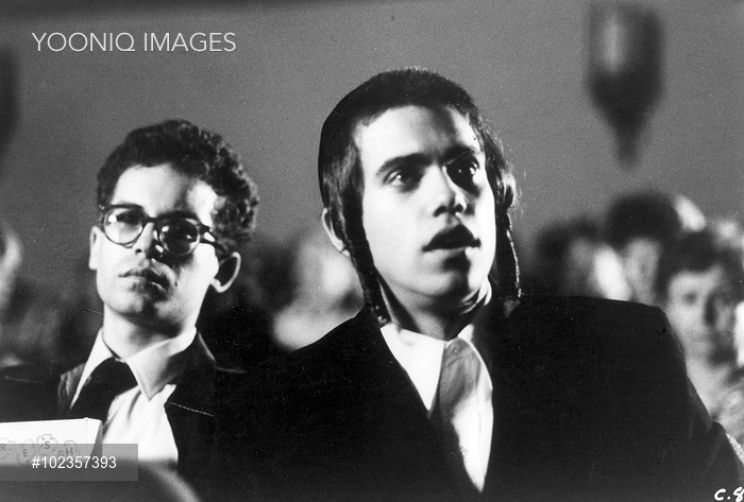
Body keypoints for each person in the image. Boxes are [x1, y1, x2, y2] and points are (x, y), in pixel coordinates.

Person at [246, 68, 744, 502]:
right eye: (403, 176)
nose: (448, 195)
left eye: (464, 167)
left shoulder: (627, 350)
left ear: (497, 194)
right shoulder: (283, 410)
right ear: (341, 228)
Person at [0, 119, 259, 497]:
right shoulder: (9, 392)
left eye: (181, 231)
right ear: (96, 246)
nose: (145, 244)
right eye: (127, 218)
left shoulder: (252, 422)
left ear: (223, 270)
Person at [655, 227, 744, 438]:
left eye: (721, 298)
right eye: (689, 299)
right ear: (666, 306)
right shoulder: (651, 403)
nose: (704, 316)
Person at [605, 190, 705, 306]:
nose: (639, 271)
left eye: (650, 256)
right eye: (628, 257)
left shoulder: (696, 311)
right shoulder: (614, 313)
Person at [531, 216, 630, 300]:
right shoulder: (575, 272)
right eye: (572, 252)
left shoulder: (608, 265)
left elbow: (618, 297)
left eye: (582, 250)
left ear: (592, 246)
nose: (576, 257)